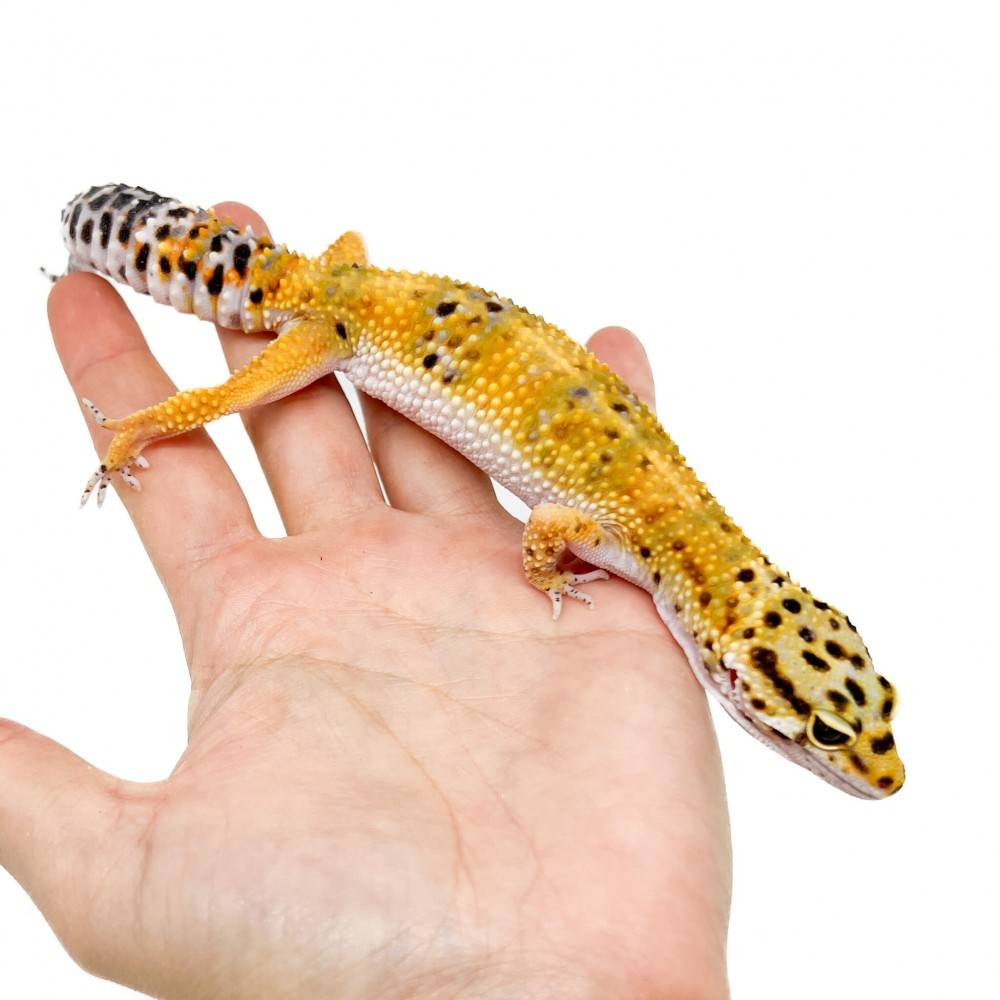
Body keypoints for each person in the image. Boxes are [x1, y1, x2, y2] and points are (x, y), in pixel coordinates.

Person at [0, 203, 731, 999]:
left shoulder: (660, 545)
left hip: (353, 289)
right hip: (340, 314)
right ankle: (133, 432)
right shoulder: (634, 541)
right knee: (233, 395)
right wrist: (547, 577)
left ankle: (115, 258)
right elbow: (545, 534)